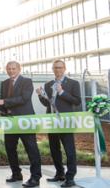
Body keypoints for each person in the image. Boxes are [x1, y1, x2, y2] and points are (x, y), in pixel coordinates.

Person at [0, 61, 42, 188]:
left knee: (31, 148)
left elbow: (23, 98)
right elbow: (4, 103)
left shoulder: (27, 81)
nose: (11, 71)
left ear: (19, 69)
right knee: (10, 148)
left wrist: (2, 101)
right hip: (10, 121)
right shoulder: (4, 83)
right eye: (8, 69)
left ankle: (35, 177)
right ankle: (16, 174)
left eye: (13, 68)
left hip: (25, 121)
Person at [37, 59, 81, 188]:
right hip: (52, 121)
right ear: (52, 69)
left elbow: (77, 101)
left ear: (64, 68)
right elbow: (47, 103)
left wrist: (62, 92)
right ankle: (59, 173)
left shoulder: (73, 83)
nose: (58, 70)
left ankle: (70, 178)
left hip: (66, 121)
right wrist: (40, 96)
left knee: (69, 150)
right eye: (55, 68)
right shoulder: (48, 84)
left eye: (60, 67)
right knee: (54, 149)